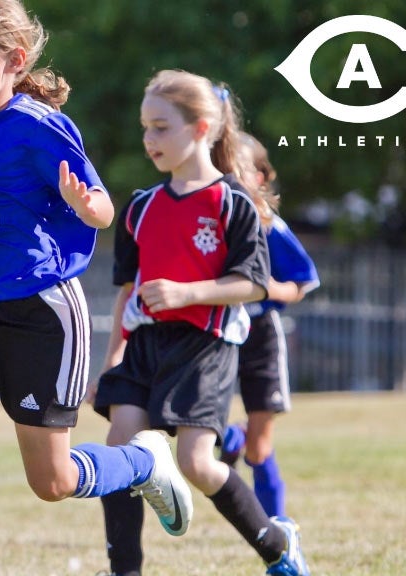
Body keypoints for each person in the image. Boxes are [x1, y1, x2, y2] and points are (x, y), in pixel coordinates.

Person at [0, 2, 192, 574]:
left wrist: (80, 201)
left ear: (15, 61)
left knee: (53, 481)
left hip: (40, 314)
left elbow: (101, 209)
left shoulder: (35, 126)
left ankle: (143, 462)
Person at [89, 70, 310, 576]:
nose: (149, 139)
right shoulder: (141, 207)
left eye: (161, 127)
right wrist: (112, 361)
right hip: (145, 344)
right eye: (145, 128)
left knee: (196, 464)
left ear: (200, 128)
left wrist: (188, 293)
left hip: (205, 348)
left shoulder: (233, 204)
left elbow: (253, 285)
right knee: (119, 450)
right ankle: (125, 569)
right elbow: (128, 293)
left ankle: (277, 544)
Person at [219, 133, 320, 520]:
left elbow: (302, 282)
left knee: (259, 449)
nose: (229, 177)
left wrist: (265, 288)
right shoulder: (211, 221)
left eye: (238, 170)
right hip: (219, 334)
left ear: (260, 177)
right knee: (196, 427)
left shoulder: (268, 225)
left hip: (260, 336)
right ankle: (231, 436)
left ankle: (279, 532)